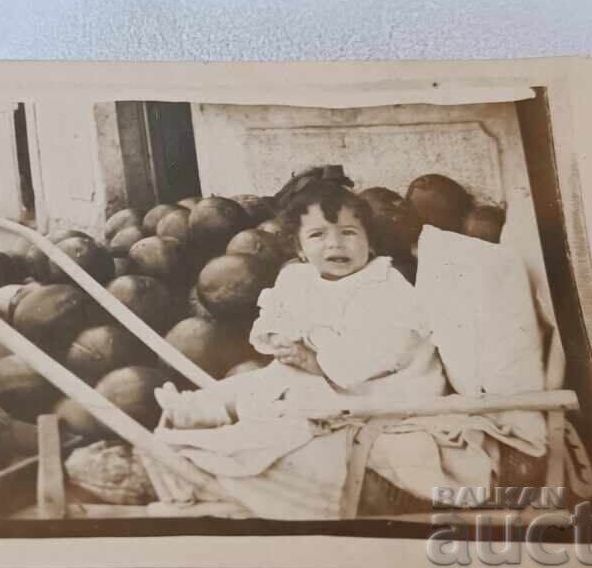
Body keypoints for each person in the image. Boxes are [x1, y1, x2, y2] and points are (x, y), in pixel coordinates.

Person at [156, 181, 446, 429]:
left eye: (348, 233)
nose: (335, 244)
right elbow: (276, 314)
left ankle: (227, 418)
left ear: (370, 243)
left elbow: (389, 350)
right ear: (299, 249)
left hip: (385, 389)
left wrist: (317, 362)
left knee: (288, 400)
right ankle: (200, 406)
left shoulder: (384, 284)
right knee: (264, 380)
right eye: (318, 235)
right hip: (327, 379)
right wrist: (279, 338)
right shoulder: (298, 279)